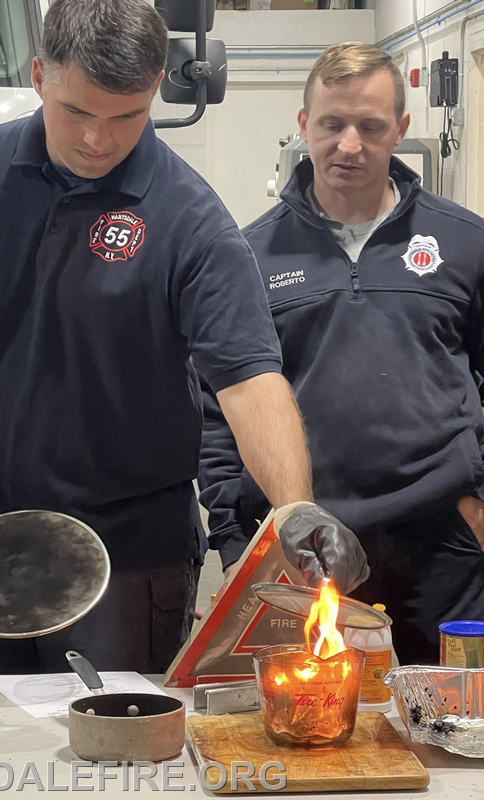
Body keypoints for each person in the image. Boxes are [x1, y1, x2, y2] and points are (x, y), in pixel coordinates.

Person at [0, 1, 367, 674]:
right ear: (40, 75)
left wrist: (294, 508)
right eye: (78, 112)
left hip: (125, 559)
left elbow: (248, 382)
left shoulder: (192, 223)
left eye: (126, 116)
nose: (99, 140)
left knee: (118, 761)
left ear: (156, 86)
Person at [199, 42, 484, 666]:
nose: (349, 144)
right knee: (312, 727)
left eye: (370, 126)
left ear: (402, 130)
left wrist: (478, 495)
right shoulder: (247, 256)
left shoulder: (465, 243)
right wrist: (231, 539)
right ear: (304, 125)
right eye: (331, 124)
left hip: (440, 545)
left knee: (453, 728)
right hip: (303, 543)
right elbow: (219, 411)